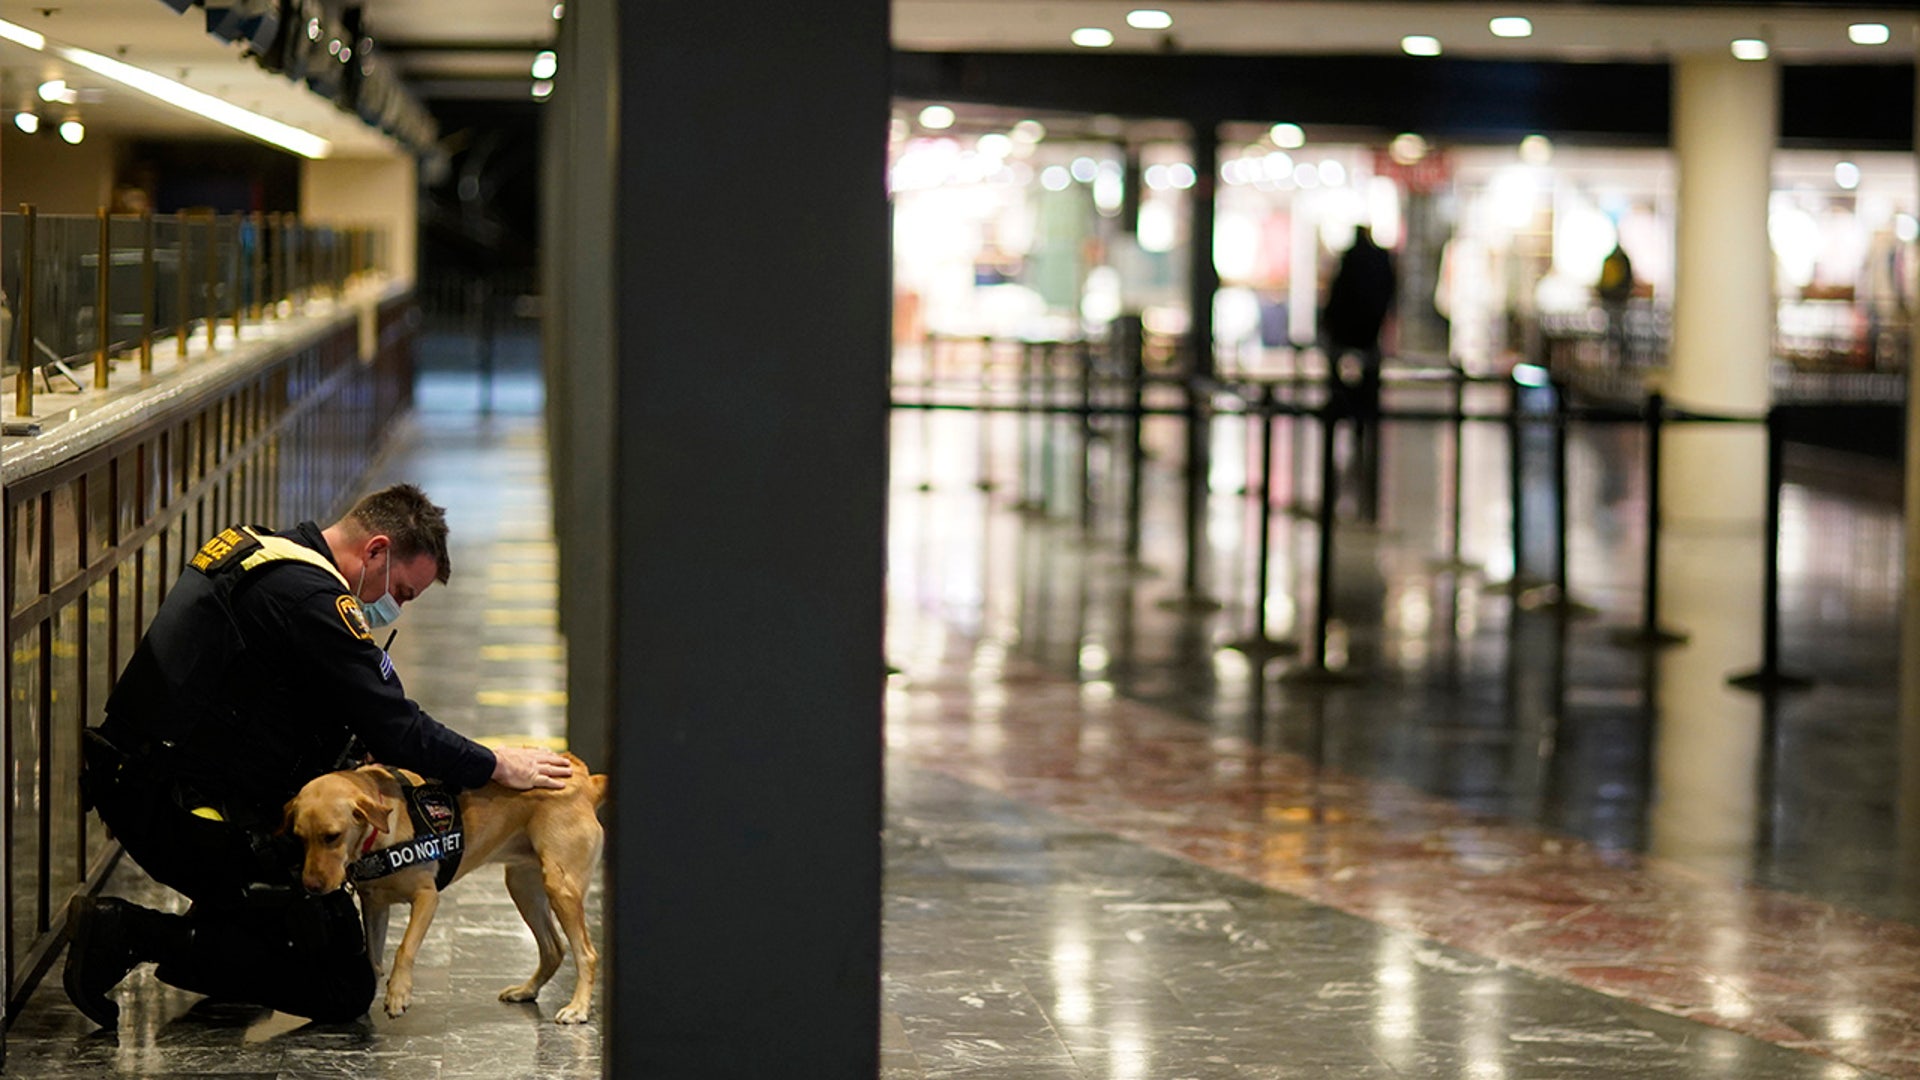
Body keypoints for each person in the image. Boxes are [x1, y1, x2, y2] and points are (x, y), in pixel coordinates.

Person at [64, 483, 575, 1028]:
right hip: (181, 808)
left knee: (302, 909)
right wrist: (498, 764)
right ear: (375, 551)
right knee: (342, 985)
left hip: (143, 782)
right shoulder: (313, 602)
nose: (395, 607)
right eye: (401, 592)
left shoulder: (268, 551)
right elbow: (400, 728)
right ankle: (132, 932)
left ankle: (229, 930)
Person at [1320, 225, 1397, 520]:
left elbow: (1338, 299)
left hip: (1348, 340)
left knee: (1343, 392)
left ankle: (1346, 417)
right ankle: (1362, 423)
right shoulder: (1379, 260)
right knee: (1364, 395)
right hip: (1366, 339)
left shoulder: (1353, 260)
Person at [1597, 240, 1636, 363]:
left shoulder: (1611, 260)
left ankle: (1613, 354)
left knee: (1612, 328)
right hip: (1619, 301)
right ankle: (1620, 355)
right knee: (1619, 328)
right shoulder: (1623, 260)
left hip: (1610, 301)